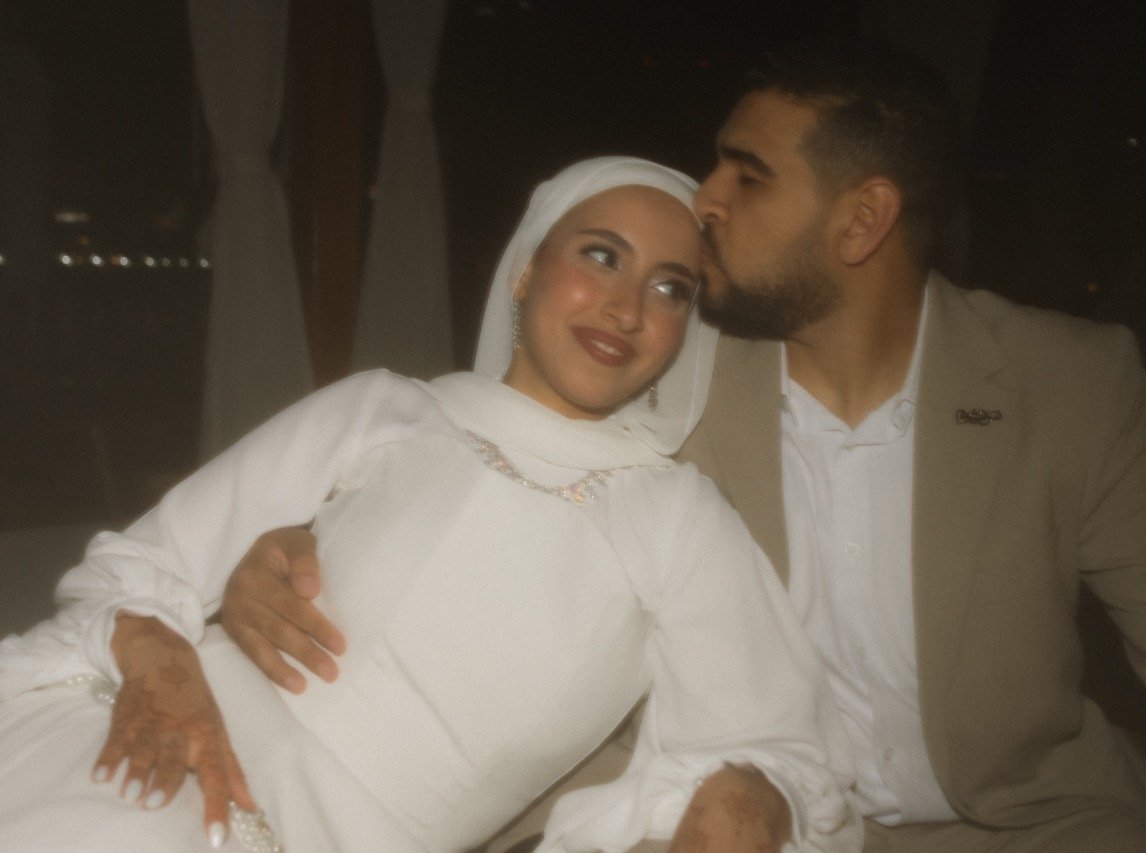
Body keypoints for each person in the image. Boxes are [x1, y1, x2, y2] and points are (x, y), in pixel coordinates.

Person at [223, 46, 1146, 852]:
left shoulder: (1065, 385)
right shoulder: (653, 376)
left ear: (861, 220)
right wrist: (295, 543)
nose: (703, 200)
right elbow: (474, 497)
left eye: (745, 176)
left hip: (1025, 830)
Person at [0, 157, 861, 852]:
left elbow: (776, 748)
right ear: (526, 271)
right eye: (600, 255)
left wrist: (740, 800)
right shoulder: (382, 406)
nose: (626, 307)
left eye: (672, 288)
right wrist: (158, 659)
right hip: (152, 745)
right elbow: (140, 565)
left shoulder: (679, 516)